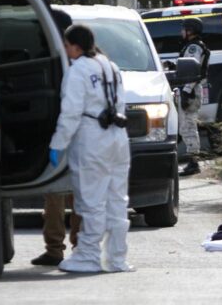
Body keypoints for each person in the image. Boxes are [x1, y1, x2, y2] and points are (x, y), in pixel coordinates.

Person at [48, 24, 132, 273]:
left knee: (90, 201)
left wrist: (57, 144)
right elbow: (121, 103)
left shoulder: (78, 71)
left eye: (66, 46)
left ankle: (88, 257)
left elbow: (71, 112)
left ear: (75, 46)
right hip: (118, 137)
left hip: (92, 139)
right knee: (117, 200)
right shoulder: (111, 66)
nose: (66, 50)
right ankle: (117, 259)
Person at [31, 8, 81, 267]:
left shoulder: (57, 59)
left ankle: (58, 249)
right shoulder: (81, 60)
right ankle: (73, 248)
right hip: (74, 135)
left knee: (58, 195)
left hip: (65, 134)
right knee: (73, 195)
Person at [177, 17, 210, 177]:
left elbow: (192, 70)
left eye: (183, 29)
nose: (181, 32)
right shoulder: (191, 46)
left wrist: (186, 91)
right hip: (189, 89)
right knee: (184, 126)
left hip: (191, 90)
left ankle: (194, 162)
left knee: (189, 125)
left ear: (190, 31)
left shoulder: (193, 48)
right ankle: (191, 159)